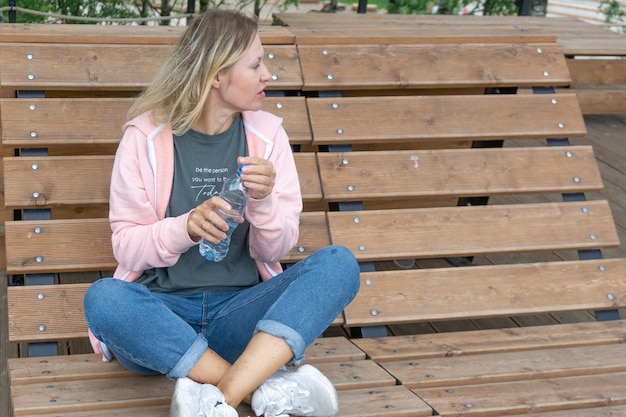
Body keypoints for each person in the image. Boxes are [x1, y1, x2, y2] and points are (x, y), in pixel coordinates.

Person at [83, 8, 360, 417]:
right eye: (256, 64)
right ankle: (253, 390)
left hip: (242, 316)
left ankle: (217, 397)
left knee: (340, 264)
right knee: (103, 299)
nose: (268, 74)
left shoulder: (268, 137)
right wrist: (186, 228)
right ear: (216, 74)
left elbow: (276, 248)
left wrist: (264, 202)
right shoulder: (145, 138)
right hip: (162, 322)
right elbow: (126, 247)